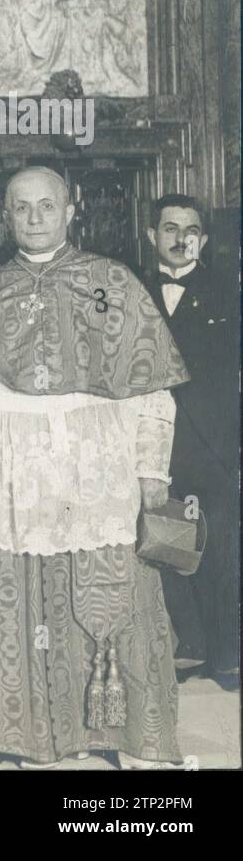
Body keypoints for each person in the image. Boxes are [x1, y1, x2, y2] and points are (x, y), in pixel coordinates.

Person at [0, 167, 187, 769]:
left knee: (110, 592)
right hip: (14, 467)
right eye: (22, 207)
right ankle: (30, 735)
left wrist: (152, 471)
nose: (35, 217)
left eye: (47, 205)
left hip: (100, 461)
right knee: (23, 596)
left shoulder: (114, 283)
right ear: (5, 216)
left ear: (71, 210)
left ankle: (120, 736)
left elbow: (152, 389)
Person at [144, 194, 240, 691]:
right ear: (151, 236)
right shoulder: (134, 291)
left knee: (220, 544)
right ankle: (188, 646)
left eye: (191, 229)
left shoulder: (228, 290)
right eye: (170, 228)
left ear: (202, 237)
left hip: (213, 439)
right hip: (153, 442)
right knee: (164, 539)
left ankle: (228, 654)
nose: (181, 238)